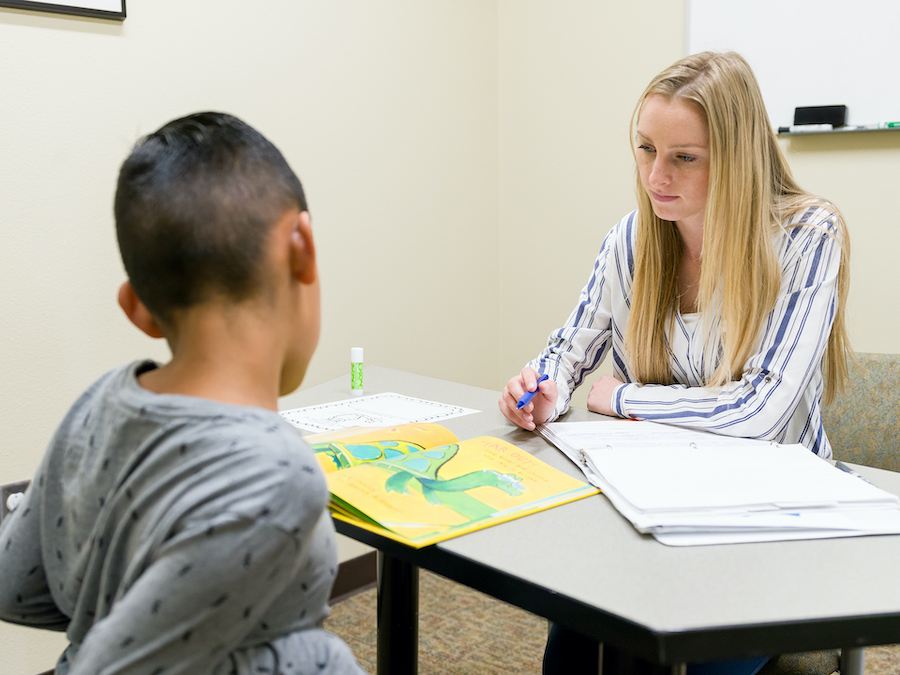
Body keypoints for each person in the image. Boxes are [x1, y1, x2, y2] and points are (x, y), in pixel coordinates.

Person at [499, 52, 850, 675]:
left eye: (684, 157)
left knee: (673, 657)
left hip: (770, 523)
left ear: (737, 158)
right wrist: (542, 387)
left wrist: (622, 398)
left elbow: (760, 412)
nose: (655, 176)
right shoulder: (632, 238)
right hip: (660, 503)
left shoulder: (807, 236)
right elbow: (568, 351)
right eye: (645, 149)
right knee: (578, 638)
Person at [0, 113, 365, 675]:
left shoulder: (99, 403)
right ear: (302, 247)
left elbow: (15, 587)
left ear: (137, 308)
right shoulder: (277, 475)